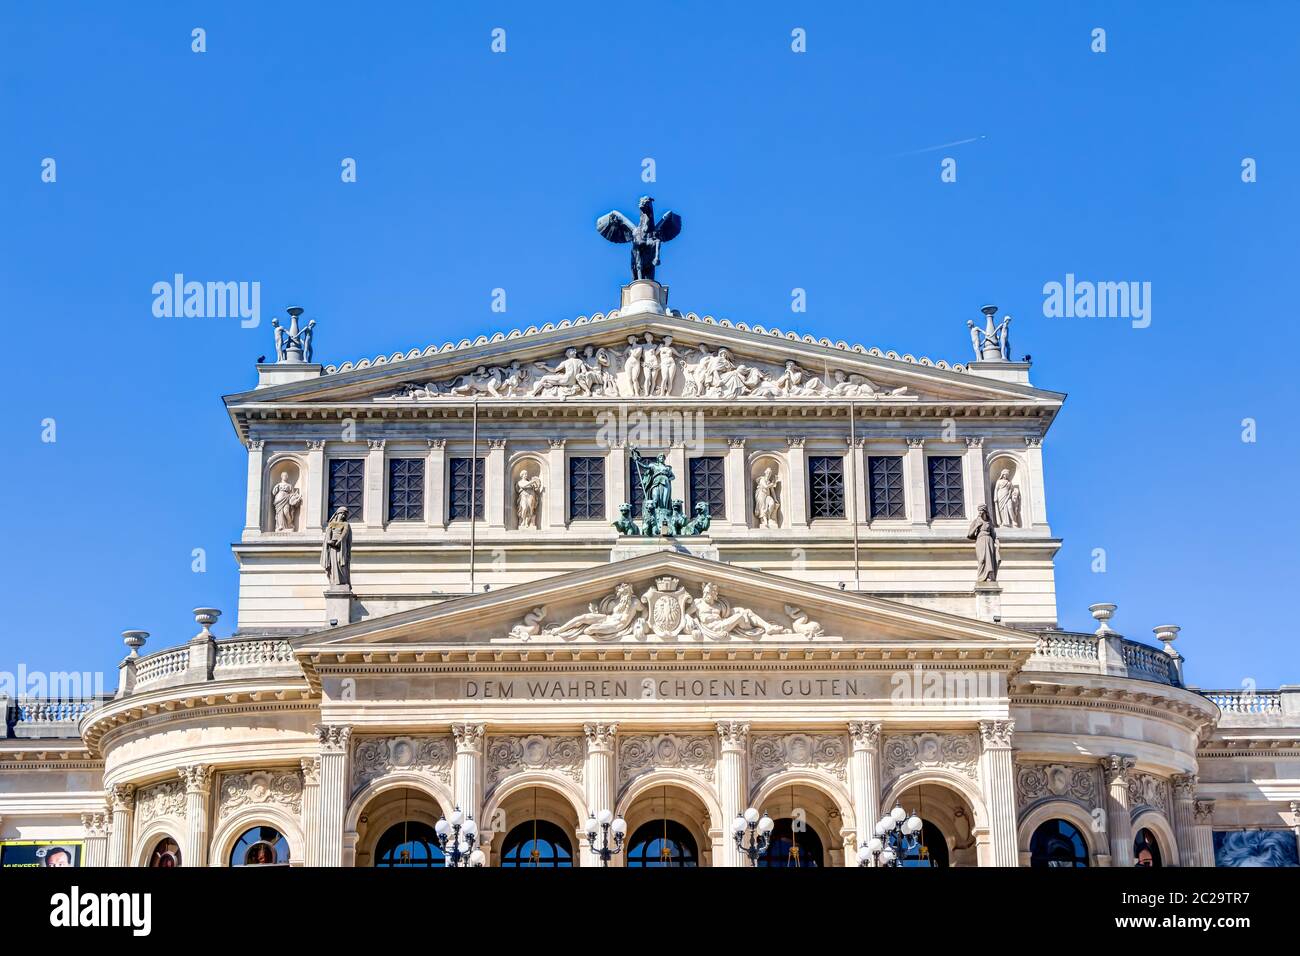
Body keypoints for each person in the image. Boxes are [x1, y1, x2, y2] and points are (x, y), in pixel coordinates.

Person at [321, 507, 353, 587]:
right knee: (333, 563)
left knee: (341, 563)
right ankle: (335, 580)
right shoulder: (332, 524)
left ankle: (342, 581)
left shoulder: (346, 524)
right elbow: (328, 534)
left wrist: (339, 541)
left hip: (341, 547)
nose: (343, 515)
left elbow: (344, 534)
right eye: (342, 513)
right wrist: (329, 541)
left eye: (345, 514)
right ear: (337, 514)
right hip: (332, 547)